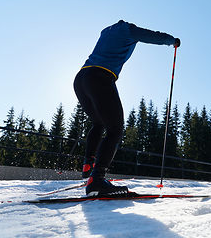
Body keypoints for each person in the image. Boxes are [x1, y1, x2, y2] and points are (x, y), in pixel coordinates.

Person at [73, 20, 180, 197]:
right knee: (115, 129)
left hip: (81, 78)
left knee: (98, 123)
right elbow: (154, 36)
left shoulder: (105, 31)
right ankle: (97, 179)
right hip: (100, 77)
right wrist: (173, 41)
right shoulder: (128, 30)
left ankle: (88, 167)